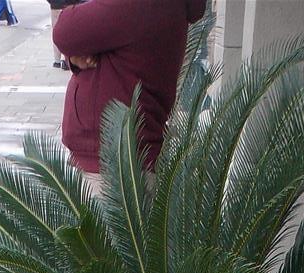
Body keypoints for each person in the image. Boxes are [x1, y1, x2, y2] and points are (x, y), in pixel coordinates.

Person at [52, 0, 207, 175]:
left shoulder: (138, 4)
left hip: (116, 165)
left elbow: (65, 30)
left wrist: (77, 52)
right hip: (115, 156)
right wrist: (75, 57)